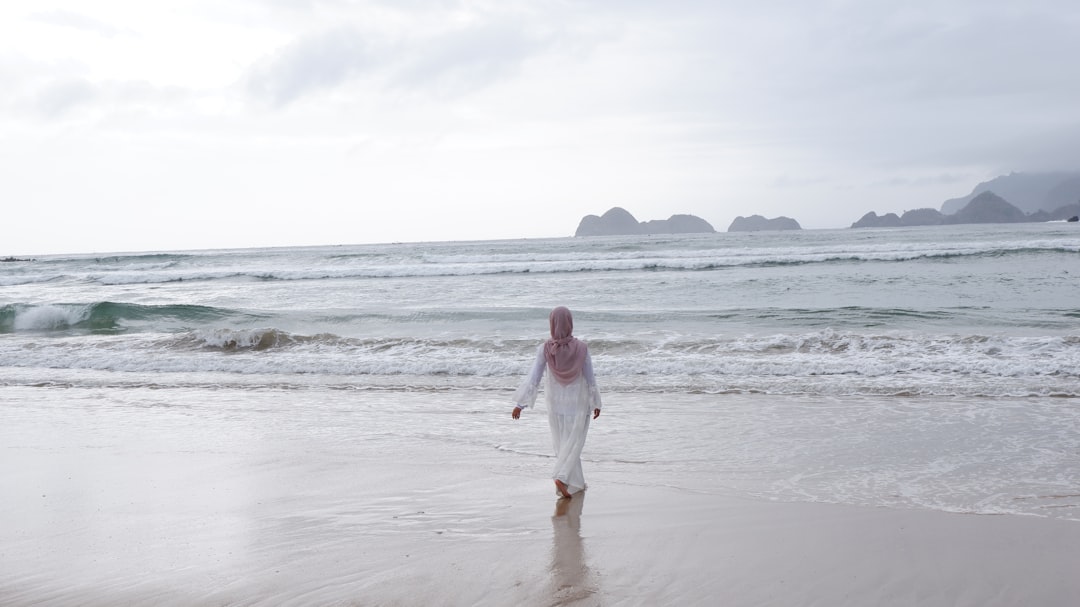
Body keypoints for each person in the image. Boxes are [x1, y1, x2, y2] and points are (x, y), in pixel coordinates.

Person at [511, 306, 602, 499]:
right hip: (577, 403)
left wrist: (520, 404)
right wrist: (596, 402)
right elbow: (589, 377)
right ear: (570, 323)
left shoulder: (545, 349)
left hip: (555, 403)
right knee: (575, 442)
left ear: (552, 323)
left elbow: (534, 378)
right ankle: (562, 477)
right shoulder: (582, 348)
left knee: (562, 443)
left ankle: (574, 483)